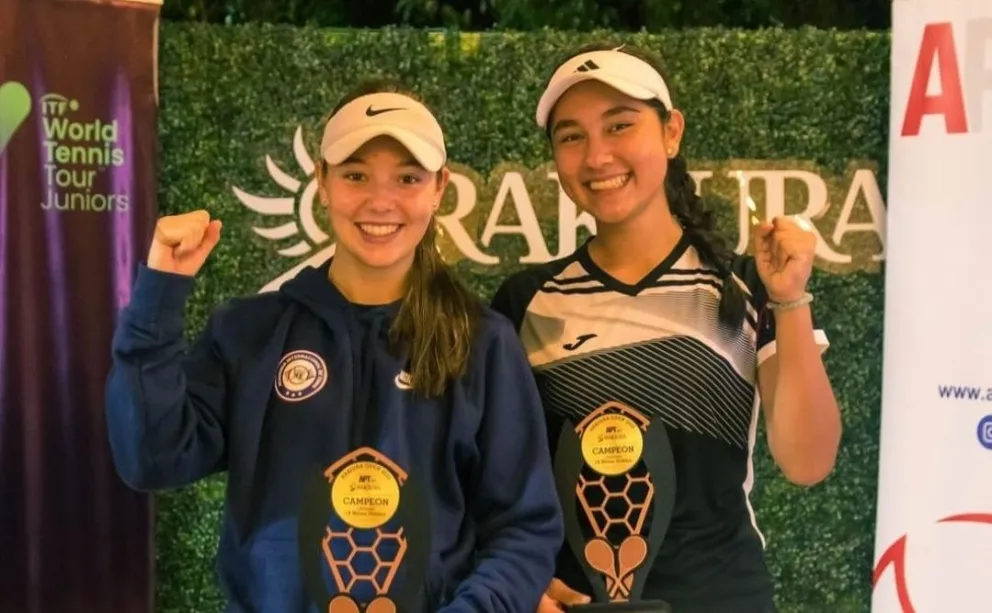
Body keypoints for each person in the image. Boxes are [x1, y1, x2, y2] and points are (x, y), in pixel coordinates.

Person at [105, 79, 564, 613]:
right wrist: (160, 291)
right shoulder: (251, 332)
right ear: (321, 181)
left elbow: (524, 529)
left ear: (439, 188)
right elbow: (152, 457)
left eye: (407, 177)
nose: (380, 201)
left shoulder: (481, 342)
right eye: (355, 174)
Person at [490, 43, 842, 613]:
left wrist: (789, 299)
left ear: (671, 132)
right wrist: (526, 580)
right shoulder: (524, 302)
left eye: (619, 125)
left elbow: (808, 462)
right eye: (572, 136)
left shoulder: (748, 286)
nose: (597, 155)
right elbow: (495, 480)